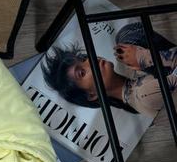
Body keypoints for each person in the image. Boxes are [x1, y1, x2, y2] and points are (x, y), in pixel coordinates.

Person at [41, 21, 177, 118]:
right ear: (92, 95)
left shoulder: (136, 78)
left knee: (125, 37)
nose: (90, 62)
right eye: (82, 73)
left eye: (84, 59)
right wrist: (145, 57)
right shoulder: (144, 94)